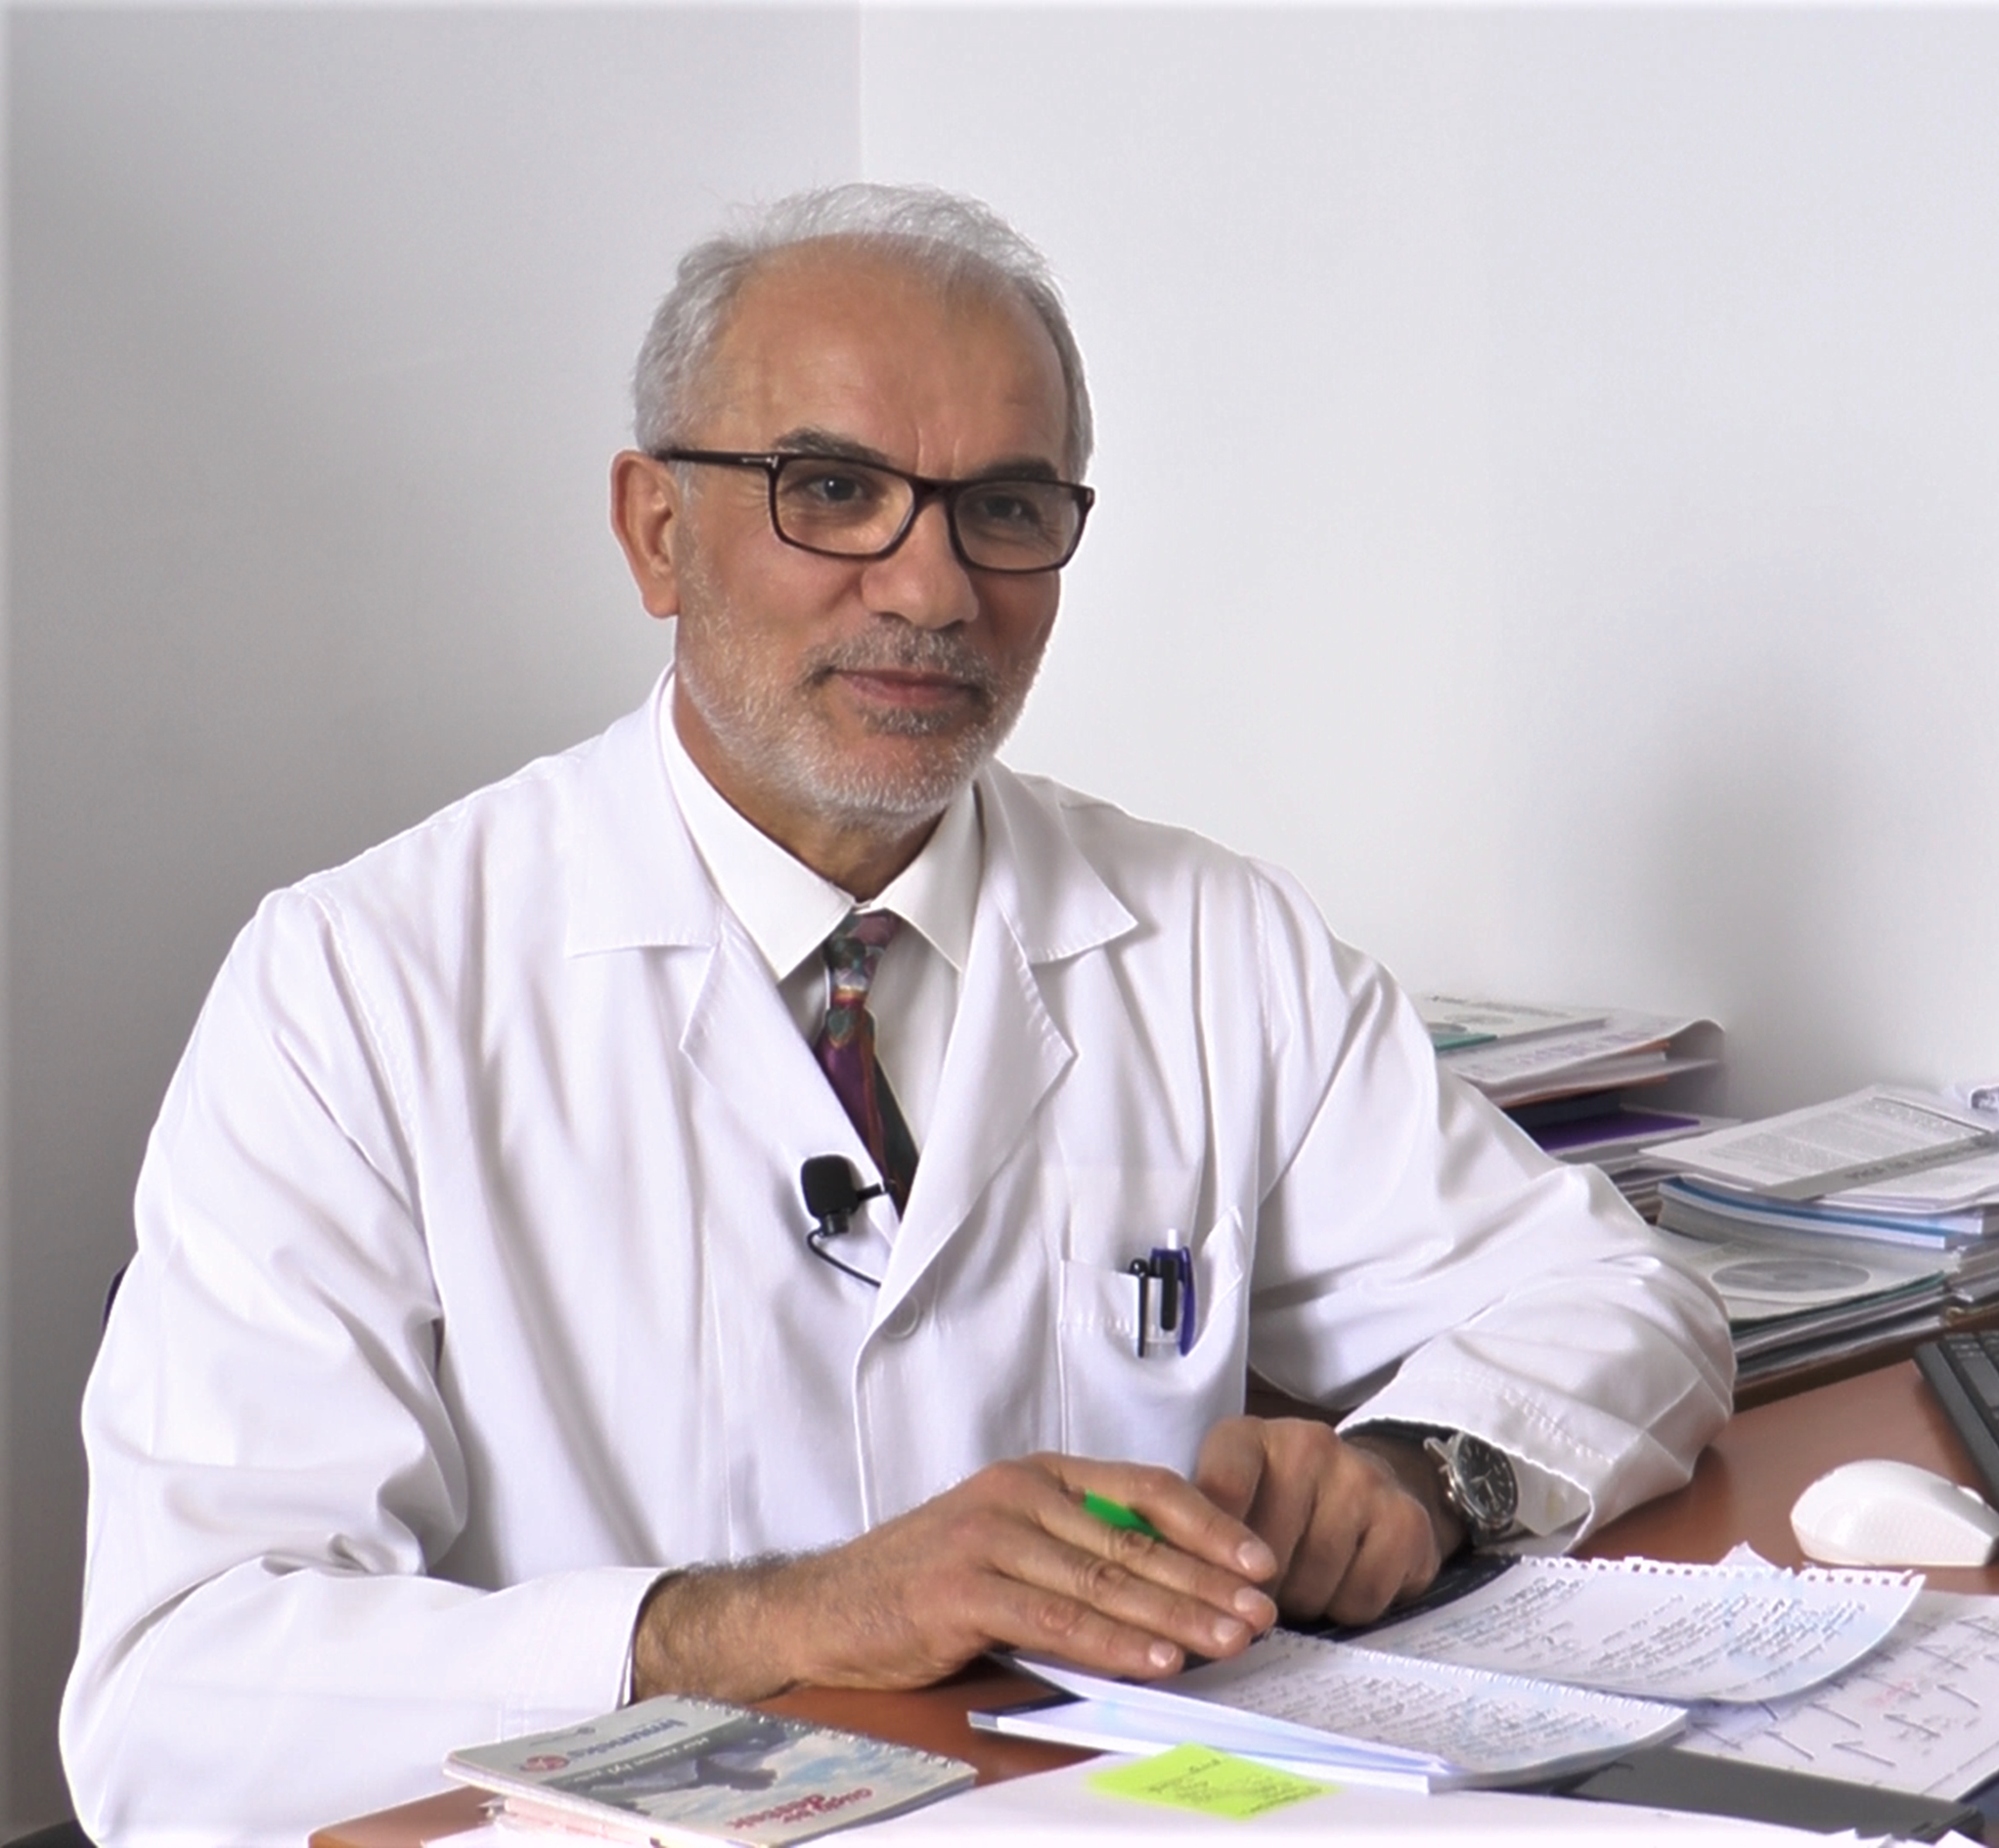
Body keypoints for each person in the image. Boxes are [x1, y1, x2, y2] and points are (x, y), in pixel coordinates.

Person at [62, 184, 1731, 1844]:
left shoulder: (1207, 938)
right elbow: (175, 1699)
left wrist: (1421, 1475)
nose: (931, 589)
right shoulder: (359, 984)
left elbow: (1618, 1298)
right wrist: (771, 1621)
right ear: (656, 530)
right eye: (835, 491)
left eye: (1002, 506)